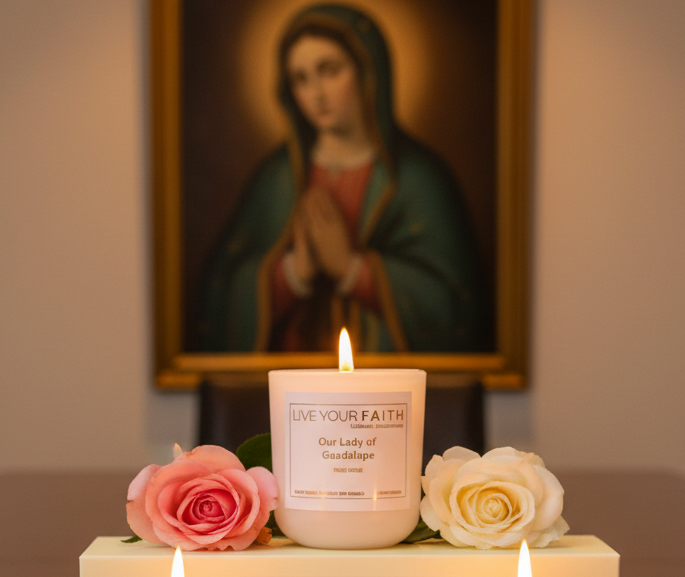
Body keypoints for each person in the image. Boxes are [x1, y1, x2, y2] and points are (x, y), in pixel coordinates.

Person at [196, 2, 487, 354]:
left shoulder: (419, 176)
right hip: (293, 394)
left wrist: (352, 269)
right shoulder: (276, 177)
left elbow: (456, 304)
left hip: (383, 394)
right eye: (301, 79)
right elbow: (221, 293)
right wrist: (292, 273)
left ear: (367, 71)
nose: (316, 94)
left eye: (329, 70)